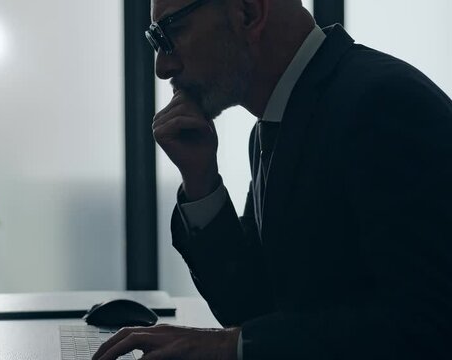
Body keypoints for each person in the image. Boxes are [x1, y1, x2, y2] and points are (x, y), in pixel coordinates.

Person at [93, 0, 452, 359]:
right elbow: (256, 309)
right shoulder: (276, 125)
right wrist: (200, 180)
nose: (162, 67)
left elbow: (430, 329)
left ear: (248, 13)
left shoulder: (384, 104)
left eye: (171, 31)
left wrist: (228, 345)